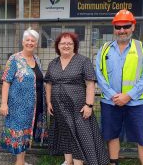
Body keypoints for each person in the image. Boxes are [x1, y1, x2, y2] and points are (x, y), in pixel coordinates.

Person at [95, 9, 143, 165]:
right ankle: (114, 162)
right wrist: (114, 95)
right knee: (112, 136)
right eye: (118, 27)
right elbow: (99, 75)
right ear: (114, 28)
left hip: (136, 103)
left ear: (133, 27)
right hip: (110, 102)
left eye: (126, 26)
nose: (122, 30)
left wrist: (128, 96)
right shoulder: (104, 49)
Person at [45, 32, 109, 165]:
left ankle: (78, 162)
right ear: (58, 46)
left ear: (75, 45)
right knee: (65, 133)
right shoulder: (53, 63)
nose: (66, 46)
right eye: (63, 43)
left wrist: (89, 105)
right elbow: (49, 83)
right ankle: (68, 161)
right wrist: (48, 101)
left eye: (70, 43)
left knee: (79, 134)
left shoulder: (83, 61)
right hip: (58, 107)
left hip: (78, 108)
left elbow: (90, 84)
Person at [0, 28, 47, 165]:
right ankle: (19, 162)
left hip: (34, 105)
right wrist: (4, 103)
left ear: (36, 44)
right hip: (18, 106)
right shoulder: (14, 59)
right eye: (27, 40)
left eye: (33, 40)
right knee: (20, 133)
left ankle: (22, 160)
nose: (30, 43)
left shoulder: (36, 59)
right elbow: (6, 81)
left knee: (27, 133)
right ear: (23, 42)